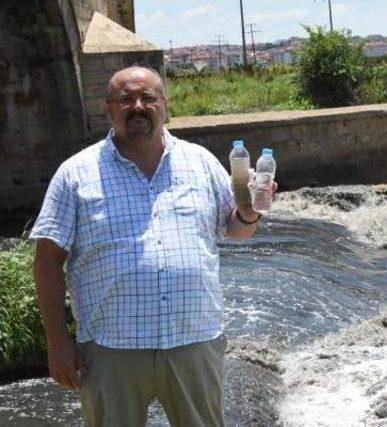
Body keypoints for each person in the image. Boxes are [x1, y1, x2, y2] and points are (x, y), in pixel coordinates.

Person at [30, 65, 271, 426]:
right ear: (108, 109)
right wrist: (58, 343)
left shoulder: (201, 162)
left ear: (164, 105)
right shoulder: (75, 173)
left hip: (194, 339)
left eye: (148, 98)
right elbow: (48, 260)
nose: (138, 106)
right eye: (125, 99)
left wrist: (250, 213)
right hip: (111, 347)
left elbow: (235, 229)